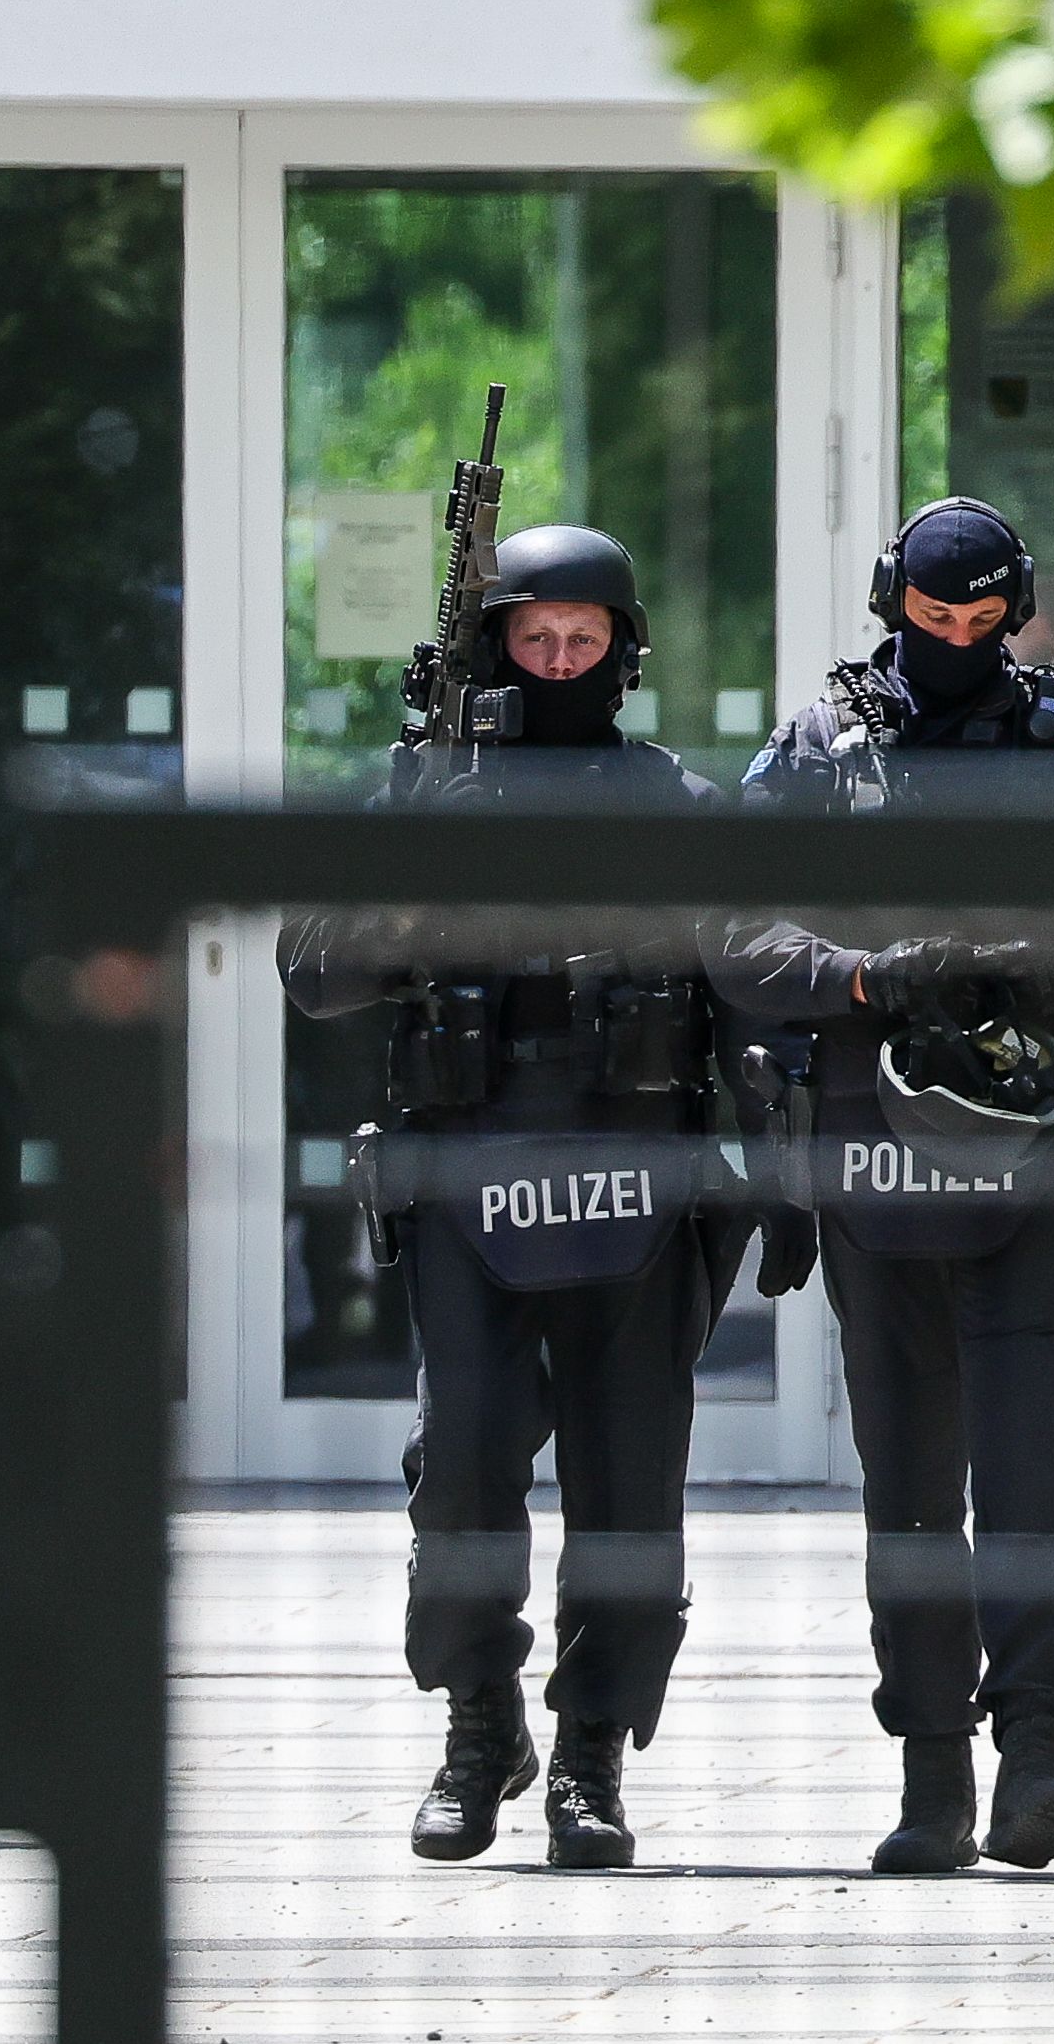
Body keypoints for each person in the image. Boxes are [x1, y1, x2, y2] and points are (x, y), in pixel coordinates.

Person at [279, 524, 730, 1872]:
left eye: (584, 639)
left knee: (628, 1477)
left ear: (623, 651)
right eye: (535, 638)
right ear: (495, 646)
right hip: (469, 1173)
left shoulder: (674, 800)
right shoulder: (427, 792)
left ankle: (591, 1751)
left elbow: (753, 982)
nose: (559, 659)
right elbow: (314, 972)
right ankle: (480, 1725)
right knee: (465, 1456)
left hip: (636, 1176)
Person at [710, 495, 1054, 1874]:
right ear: (891, 597)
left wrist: (1046, 959)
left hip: (1027, 1155)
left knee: (1031, 1474)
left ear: (1017, 611)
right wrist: (860, 977)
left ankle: (1037, 1758)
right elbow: (727, 924)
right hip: (873, 1158)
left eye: (981, 618)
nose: (954, 637)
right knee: (906, 1480)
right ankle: (932, 1770)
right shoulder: (819, 747)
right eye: (931, 615)